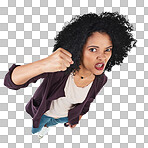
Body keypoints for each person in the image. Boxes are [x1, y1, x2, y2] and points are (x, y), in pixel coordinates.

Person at [4, 12, 137, 139]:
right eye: (93, 49)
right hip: (44, 112)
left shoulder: (101, 79)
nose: (102, 57)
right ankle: (37, 134)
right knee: (36, 130)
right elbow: (10, 82)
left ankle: (47, 127)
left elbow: (89, 100)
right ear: (78, 48)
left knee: (52, 123)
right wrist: (45, 64)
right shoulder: (60, 70)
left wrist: (78, 116)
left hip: (65, 117)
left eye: (107, 49)